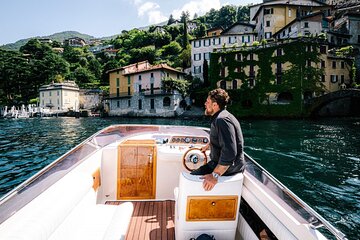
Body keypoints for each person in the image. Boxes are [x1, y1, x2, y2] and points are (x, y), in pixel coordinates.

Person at [191, 88, 245, 191]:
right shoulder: (223, 116)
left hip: (228, 169)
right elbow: (224, 140)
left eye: (207, 102)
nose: (205, 104)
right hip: (223, 164)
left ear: (215, 105)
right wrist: (209, 146)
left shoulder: (222, 120)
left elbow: (229, 153)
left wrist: (214, 176)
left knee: (191, 179)